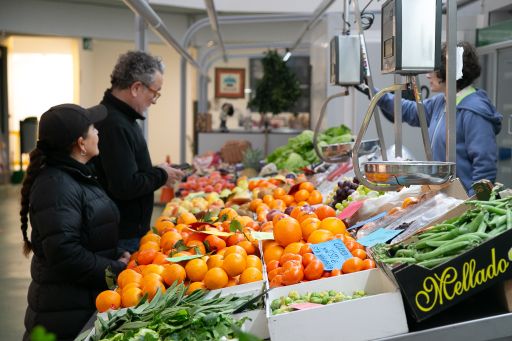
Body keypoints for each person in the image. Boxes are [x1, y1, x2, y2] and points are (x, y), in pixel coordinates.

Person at [20, 104, 130, 341]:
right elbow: (65, 253)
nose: (98, 132)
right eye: (93, 128)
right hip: (64, 318)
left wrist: (117, 253)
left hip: (79, 304)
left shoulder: (76, 174)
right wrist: (116, 270)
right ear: (81, 143)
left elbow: (89, 232)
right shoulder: (57, 186)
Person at [377, 41, 502, 194]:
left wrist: (471, 204)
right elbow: (408, 111)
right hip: (444, 197)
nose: (428, 74)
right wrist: (375, 93)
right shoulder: (442, 102)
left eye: (435, 69)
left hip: (463, 202)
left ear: (450, 71)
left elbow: (485, 168)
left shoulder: (474, 112)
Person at [94, 51, 183, 252]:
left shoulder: (122, 119)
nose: (154, 99)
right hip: (121, 236)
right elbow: (124, 186)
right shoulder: (114, 125)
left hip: (125, 232)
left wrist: (157, 171)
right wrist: (161, 175)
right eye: (155, 92)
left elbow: (124, 171)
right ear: (136, 87)